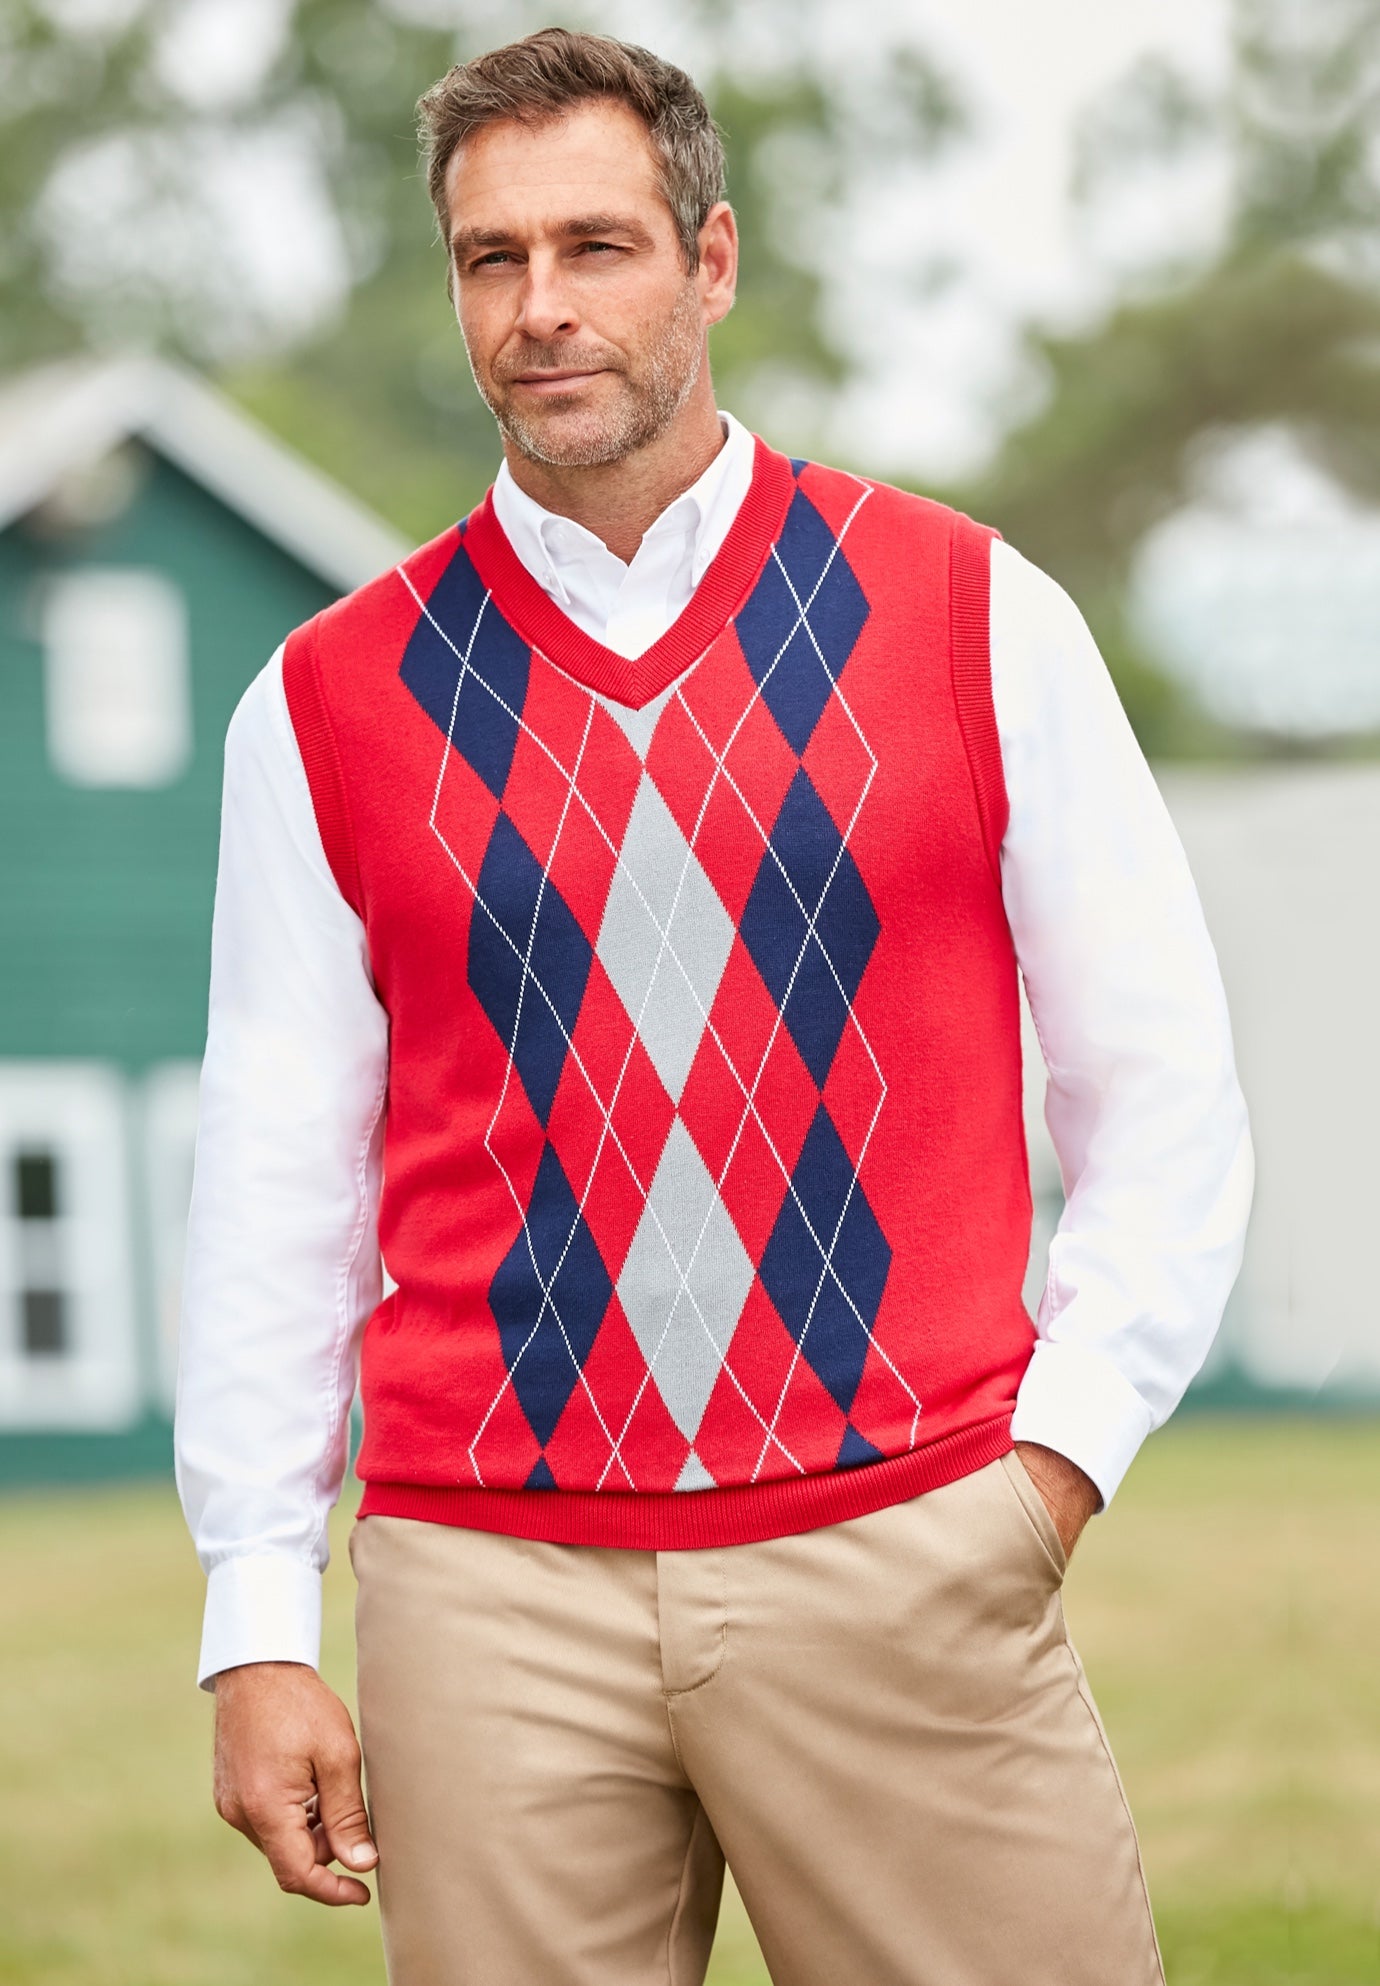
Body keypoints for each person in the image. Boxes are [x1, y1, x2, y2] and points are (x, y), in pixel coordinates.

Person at [175, 27, 1253, 1986]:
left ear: (713, 260)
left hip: (905, 1540)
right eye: (493, 258)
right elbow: (275, 1172)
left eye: (595, 245)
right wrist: (255, 1615)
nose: (541, 305)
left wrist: (1048, 1473)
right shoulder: (321, 703)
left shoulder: (968, 614)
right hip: (487, 1588)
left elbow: (1162, 1084)